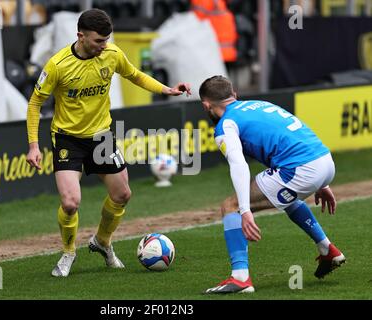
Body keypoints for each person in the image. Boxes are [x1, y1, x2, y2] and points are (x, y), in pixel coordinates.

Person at [25, 9, 191, 277]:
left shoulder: (112, 54)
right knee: (70, 203)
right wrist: (34, 145)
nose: (104, 46)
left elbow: (135, 74)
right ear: (80, 36)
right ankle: (68, 252)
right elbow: (35, 104)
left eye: (106, 40)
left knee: (122, 195)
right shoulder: (58, 65)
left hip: (101, 137)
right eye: (98, 41)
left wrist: (166, 89)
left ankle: (102, 242)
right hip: (68, 138)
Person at [198, 75, 345, 294]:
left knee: (231, 205)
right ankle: (327, 249)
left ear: (206, 105)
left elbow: (239, 166)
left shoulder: (225, 125)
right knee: (282, 194)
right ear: (234, 95)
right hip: (324, 160)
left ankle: (240, 278)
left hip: (301, 168)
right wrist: (321, 182)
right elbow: (292, 136)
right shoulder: (260, 104)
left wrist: (244, 210)